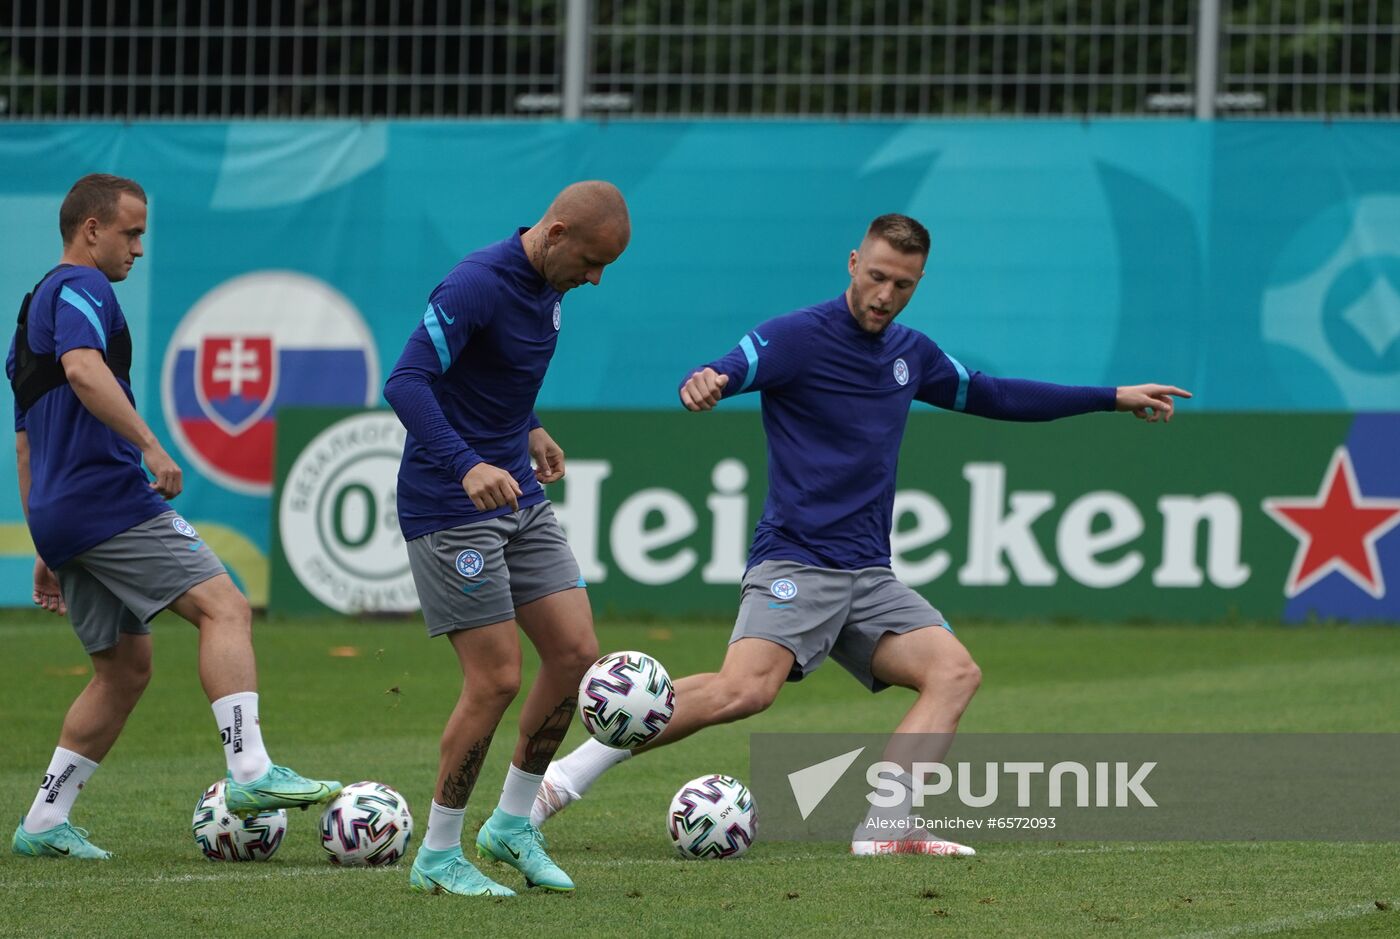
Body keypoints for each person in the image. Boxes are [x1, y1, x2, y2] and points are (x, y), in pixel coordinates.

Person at [532, 212, 1191, 856]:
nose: (885, 295)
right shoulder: (796, 337)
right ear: (854, 262)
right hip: (796, 560)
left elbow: (995, 395)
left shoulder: (912, 353)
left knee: (955, 672)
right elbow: (726, 368)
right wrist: (709, 382)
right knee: (745, 690)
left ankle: (887, 825)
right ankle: (561, 780)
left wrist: (1111, 396)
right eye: (876, 276)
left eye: (903, 284)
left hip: (870, 576)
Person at [8, 174, 341, 861]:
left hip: (65, 512)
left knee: (123, 670)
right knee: (226, 606)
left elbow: (26, 440)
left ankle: (44, 820)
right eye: (130, 233)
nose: (137, 248)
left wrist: (46, 534)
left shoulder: (26, 310)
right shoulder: (82, 287)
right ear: (90, 230)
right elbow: (81, 368)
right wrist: (151, 444)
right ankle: (250, 770)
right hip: (107, 497)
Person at [383, 181, 630, 897]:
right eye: (589, 261)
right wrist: (466, 464)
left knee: (577, 654)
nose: (594, 278)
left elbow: (494, 379)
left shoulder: (551, 287)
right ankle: (436, 852)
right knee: (494, 678)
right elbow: (406, 382)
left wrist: (528, 429)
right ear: (554, 234)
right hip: (449, 503)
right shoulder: (475, 284)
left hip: (517, 492)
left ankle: (513, 823)